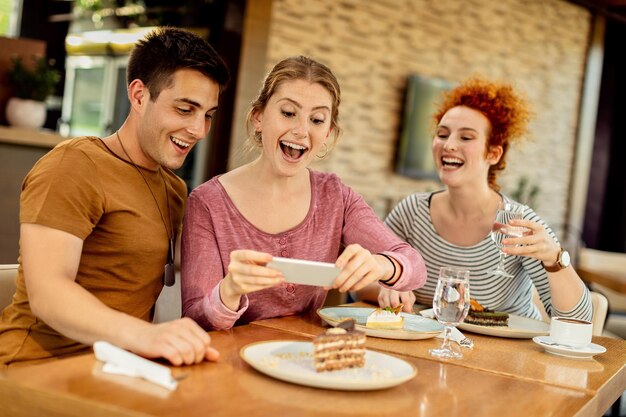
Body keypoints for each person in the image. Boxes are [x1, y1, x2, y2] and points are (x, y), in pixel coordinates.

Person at [0, 27, 230, 368]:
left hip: (118, 369)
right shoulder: (74, 165)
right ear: (138, 96)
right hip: (34, 368)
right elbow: (47, 293)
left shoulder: (174, 189)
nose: (199, 129)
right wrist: (147, 336)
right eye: (185, 110)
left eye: (208, 115)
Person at [181, 56, 427, 330]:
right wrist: (228, 291)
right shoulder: (207, 202)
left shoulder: (336, 197)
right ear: (259, 117)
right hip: (230, 363)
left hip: (304, 360)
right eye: (288, 113)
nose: (301, 130)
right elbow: (193, 319)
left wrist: (383, 265)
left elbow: (415, 266)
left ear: (328, 131)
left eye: (317, 119)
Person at [359, 77, 592, 321]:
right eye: (442, 134)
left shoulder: (518, 223)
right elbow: (362, 282)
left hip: (508, 355)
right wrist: (389, 286)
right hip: (432, 349)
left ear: (493, 153)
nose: (448, 145)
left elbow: (579, 319)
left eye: (466, 138)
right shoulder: (412, 212)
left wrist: (555, 259)